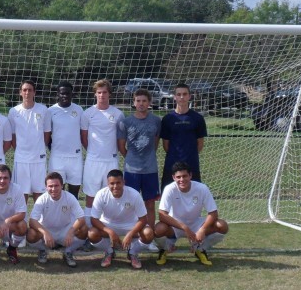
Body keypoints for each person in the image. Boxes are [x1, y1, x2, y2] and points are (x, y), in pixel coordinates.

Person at [154, 161, 228, 266]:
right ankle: (166, 247)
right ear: (173, 177)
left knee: (222, 226)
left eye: (185, 176)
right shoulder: (169, 189)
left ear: (190, 175)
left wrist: (202, 230)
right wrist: (184, 228)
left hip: (196, 224)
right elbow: (162, 214)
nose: (182, 180)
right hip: (175, 225)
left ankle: (199, 248)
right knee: (158, 229)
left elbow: (213, 213)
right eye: (178, 177)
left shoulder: (202, 188)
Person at [88, 169, 153, 269]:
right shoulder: (101, 194)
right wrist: (110, 232)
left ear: (123, 182)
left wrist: (130, 233)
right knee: (92, 234)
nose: (115, 186)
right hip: (108, 224)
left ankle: (132, 252)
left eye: (118, 183)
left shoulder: (134, 194)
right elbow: (94, 219)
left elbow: (143, 219)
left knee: (148, 233)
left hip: (130, 225)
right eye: (112, 183)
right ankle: (109, 252)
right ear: (107, 184)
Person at [81, 79, 124, 226]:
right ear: (95, 94)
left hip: (111, 161)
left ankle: (107, 229)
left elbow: (120, 139)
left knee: (110, 195)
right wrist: (94, 152)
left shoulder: (118, 114)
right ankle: (88, 229)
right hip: (93, 161)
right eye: (99, 92)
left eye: (104, 92)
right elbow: (84, 138)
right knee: (90, 196)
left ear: (109, 94)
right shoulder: (87, 113)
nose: (102, 95)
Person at [117, 88, 162, 227]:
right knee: (130, 204)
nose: (141, 103)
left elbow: (155, 143)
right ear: (134, 102)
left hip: (150, 169)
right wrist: (131, 158)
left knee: (149, 204)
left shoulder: (156, 120)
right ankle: (133, 234)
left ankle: (150, 236)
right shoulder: (125, 122)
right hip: (132, 170)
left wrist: (146, 157)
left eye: (144, 101)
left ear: (149, 102)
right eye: (138, 101)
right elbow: (121, 147)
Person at [26, 172, 88, 268]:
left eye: (56, 186)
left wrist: (71, 231)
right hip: (47, 232)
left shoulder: (69, 197)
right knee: (31, 234)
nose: (53, 189)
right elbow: (32, 221)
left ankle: (68, 251)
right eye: (50, 186)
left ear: (62, 186)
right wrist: (45, 233)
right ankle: (43, 250)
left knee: (83, 229)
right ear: (46, 187)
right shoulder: (42, 199)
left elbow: (81, 218)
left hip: (65, 231)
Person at [8, 80, 51, 204]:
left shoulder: (43, 110)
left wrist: (39, 148)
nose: (27, 92)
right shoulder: (13, 111)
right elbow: (13, 135)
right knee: (22, 192)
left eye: (30, 90)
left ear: (34, 92)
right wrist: (21, 150)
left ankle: (38, 221)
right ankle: (23, 221)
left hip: (39, 158)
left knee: (39, 192)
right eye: (24, 90)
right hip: (21, 158)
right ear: (20, 92)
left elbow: (47, 134)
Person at [160, 82, 207, 189]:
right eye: (179, 94)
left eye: (185, 94)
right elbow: (166, 145)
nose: (182, 97)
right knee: (170, 196)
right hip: (171, 164)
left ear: (189, 96)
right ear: (175, 97)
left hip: (191, 164)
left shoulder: (198, 118)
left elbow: (200, 144)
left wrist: (189, 155)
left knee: (193, 195)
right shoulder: (168, 119)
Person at [47, 81, 84, 198]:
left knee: (74, 194)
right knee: (56, 193)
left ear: (72, 94)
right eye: (62, 93)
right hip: (57, 158)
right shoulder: (51, 111)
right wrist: (53, 149)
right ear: (57, 94)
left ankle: (73, 216)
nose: (65, 96)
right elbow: (47, 135)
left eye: (68, 93)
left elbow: (83, 133)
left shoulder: (79, 110)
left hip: (75, 158)